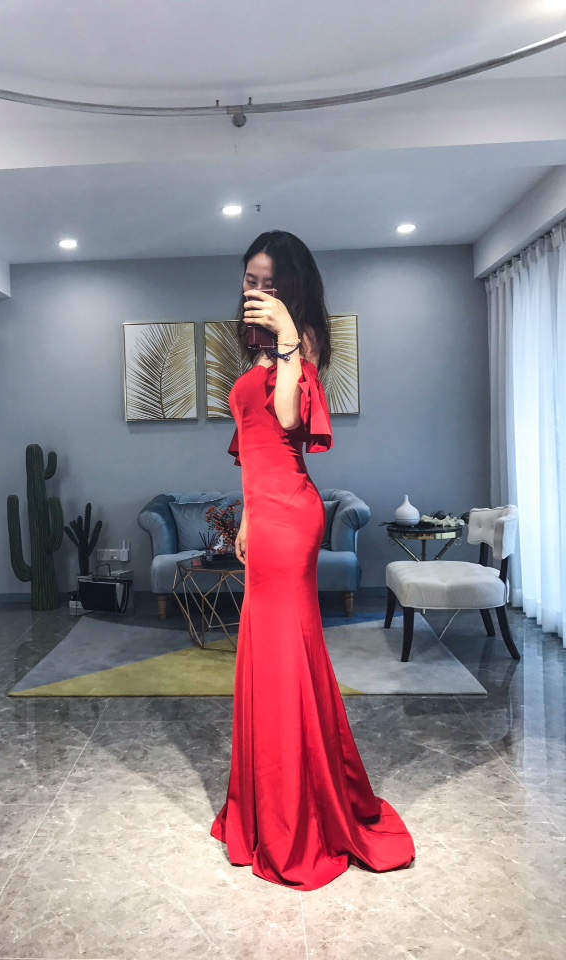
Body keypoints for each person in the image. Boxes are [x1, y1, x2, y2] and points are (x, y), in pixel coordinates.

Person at [210, 231, 415, 890]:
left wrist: (289, 339)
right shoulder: (259, 350)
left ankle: (294, 814)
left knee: (284, 656)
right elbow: (253, 445)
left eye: (267, 282)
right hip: (265, 516)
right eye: (249, 280)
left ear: (290, 286)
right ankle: (268, 800)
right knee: (267, 655)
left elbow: (286, 419)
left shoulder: (302, 345)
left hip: (293, 519)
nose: (255, 291)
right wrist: (245, 517)